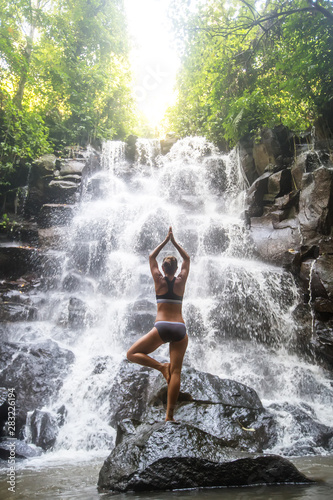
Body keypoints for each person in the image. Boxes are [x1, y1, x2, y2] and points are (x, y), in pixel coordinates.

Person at [127, 226, 190, 422]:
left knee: (131, 354)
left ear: (163, 268)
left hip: (162, 327)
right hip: (179, 328)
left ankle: (161, 368)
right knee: (177, 371)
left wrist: (165, 240)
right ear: (176, 268)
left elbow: (151, 257)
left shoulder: (158, 280)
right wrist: (175, 242)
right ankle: (169, 416)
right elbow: (187, 259)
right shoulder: (181, 281)